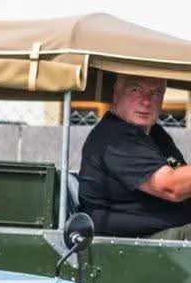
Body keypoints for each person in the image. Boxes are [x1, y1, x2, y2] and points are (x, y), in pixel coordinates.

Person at [77, 73, 191, 239]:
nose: (146, 101)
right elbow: (172, 187)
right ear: (117, 94)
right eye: (136, 90)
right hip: (138, 243)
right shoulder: (115, 137)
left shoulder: (155, 134)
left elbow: (184, 182)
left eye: (156, 93)